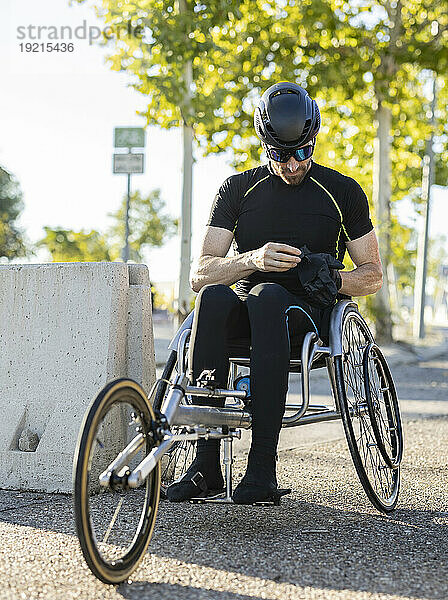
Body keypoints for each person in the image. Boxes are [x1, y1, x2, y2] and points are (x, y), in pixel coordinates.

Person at [166, 81, 383, 505]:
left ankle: (262, 466)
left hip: (309, 315)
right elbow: (200, 273)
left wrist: (329, 277)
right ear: (264, 144)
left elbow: (373, 275)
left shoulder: (343, 192)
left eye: (303, 151)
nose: (293, 163)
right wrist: (252, 259)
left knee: (267, 296)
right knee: (213, 297)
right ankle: (205, 465)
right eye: (281, 154)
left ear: (314, 139)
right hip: (250, 308)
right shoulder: (237, 189)